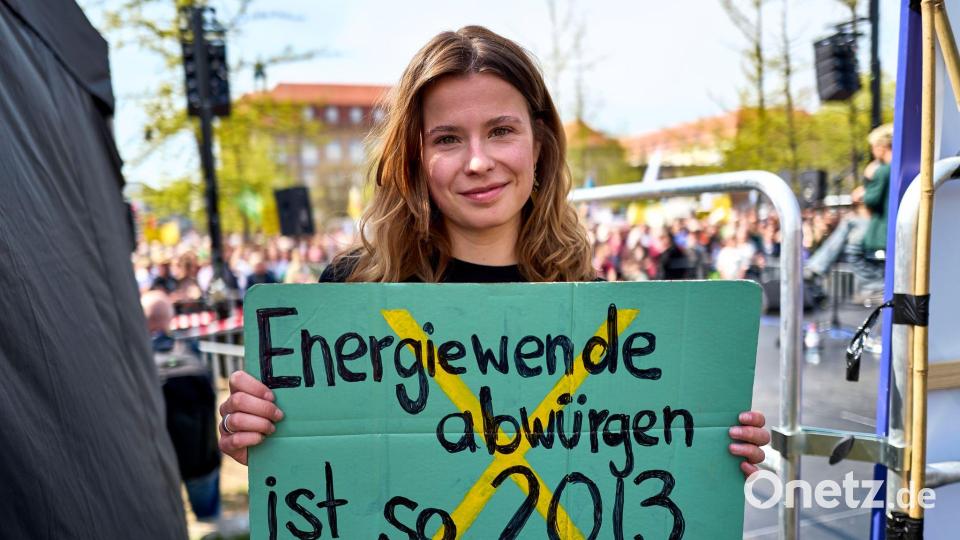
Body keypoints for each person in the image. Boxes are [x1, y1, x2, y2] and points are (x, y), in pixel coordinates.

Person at [218, 25, 769, 477]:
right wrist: (262, 438)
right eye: (448, 139)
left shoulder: (595, 307)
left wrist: (710, 454)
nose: (478, 161)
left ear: (539, 142)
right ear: (414, 158)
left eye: (501, 130)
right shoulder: (351, 295)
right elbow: (321, 473)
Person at [142, 290, 222, 522]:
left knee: (162, 524)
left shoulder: (136, 361)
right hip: (201, 458)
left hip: (156, 462)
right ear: (169, 318)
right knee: (209, 522)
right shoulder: (192, 350)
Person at [805, 123, 893, 293]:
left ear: (882, 147)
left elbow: (873, 201)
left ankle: (818, 268)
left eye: (874, 147)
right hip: (885, 225)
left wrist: (865, 187)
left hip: (881, 228)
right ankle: (816, 267)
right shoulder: (893, 169)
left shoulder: (883, 171)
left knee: (851, 238)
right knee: (850, 230)